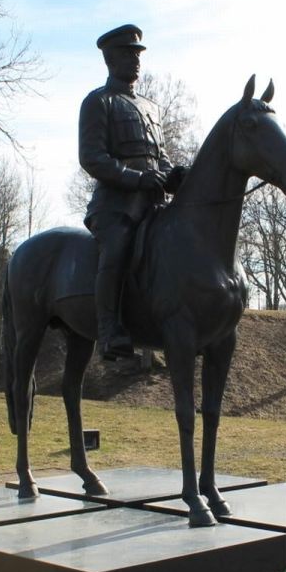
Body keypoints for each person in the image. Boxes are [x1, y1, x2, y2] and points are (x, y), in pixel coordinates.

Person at [79, 24, 187, 361]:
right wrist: (138, 179)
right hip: (116, 206)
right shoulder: (98, 102)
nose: (136, 61)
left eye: (138, 55)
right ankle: (109, 331)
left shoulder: (151, 107)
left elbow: (161, 157)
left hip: (155, 203)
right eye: (128, 54)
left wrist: (174, 177)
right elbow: (92, 158)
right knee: (117, 250)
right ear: (111, 60)